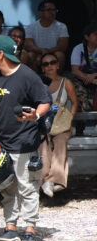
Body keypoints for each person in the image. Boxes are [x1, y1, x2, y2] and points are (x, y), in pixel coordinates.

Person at [0, 35, 52, 241]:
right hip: (2, 145)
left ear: (1, 54)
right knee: (7, 188)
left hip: (26, 143)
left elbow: (45, 102)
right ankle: (11, 227)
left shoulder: (27, 76)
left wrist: (36, 116)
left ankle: (30, 230)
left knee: (28, 187)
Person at [39, 52, 78, 198]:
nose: (49, 66)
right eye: (45, 64)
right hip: (44, 123)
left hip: (62, 123)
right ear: (42, 68)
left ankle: (56, 180)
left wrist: (69, 118)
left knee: (60, 141)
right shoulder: (39, 83)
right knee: (44, 145)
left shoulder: (66, 82)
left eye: (52, 62)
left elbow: (74, 103)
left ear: (58, 65)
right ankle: (45, 180)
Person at [24, 0, 69, 69]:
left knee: (60, 55)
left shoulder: (61, 26)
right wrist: (41, 51)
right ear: (41, 13)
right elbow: (29, 46)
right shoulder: (31, 27)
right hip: (37, 53)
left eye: (54, 10)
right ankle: (33, 78)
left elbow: (62, 46)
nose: (53, 12)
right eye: (49, 10)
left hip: (53, 53)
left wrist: (47, 52)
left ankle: (56, 78)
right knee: (30, 54)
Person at [70, 23, 97, 112]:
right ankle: (84, 112)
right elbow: (75, 71)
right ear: (87, 37)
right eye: (95, 34)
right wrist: (91, 80)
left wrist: (93, 75)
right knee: (75, 85)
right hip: (82, 79)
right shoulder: (78, 49)